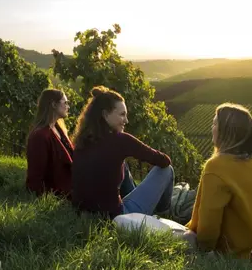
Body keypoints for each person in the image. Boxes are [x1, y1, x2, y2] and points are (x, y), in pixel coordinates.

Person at [186, 103, 252, 261]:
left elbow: (208, 229)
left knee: (175, 232)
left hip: (239, 253)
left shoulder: (216, 166)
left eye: (215, 124)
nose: (212, 128)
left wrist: (202, 248)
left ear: (226, 132)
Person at [70, 86, 174, 219]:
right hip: (116, 217)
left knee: (121, 163)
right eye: (122, 114)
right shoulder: (121, 140)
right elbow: (164, 161)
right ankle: (163, 215)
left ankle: (138, 199)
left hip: (84, 214)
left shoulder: (81, 141)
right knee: (167, 170)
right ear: (105, 114)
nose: (126, 120)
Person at [25, 88, 74, 198]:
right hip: (59, 194)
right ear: (54, 104)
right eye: (65, 103)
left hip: (70, 190)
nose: (68, 106)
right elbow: (36, 175)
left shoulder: (58, 129)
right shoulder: (40, 136)